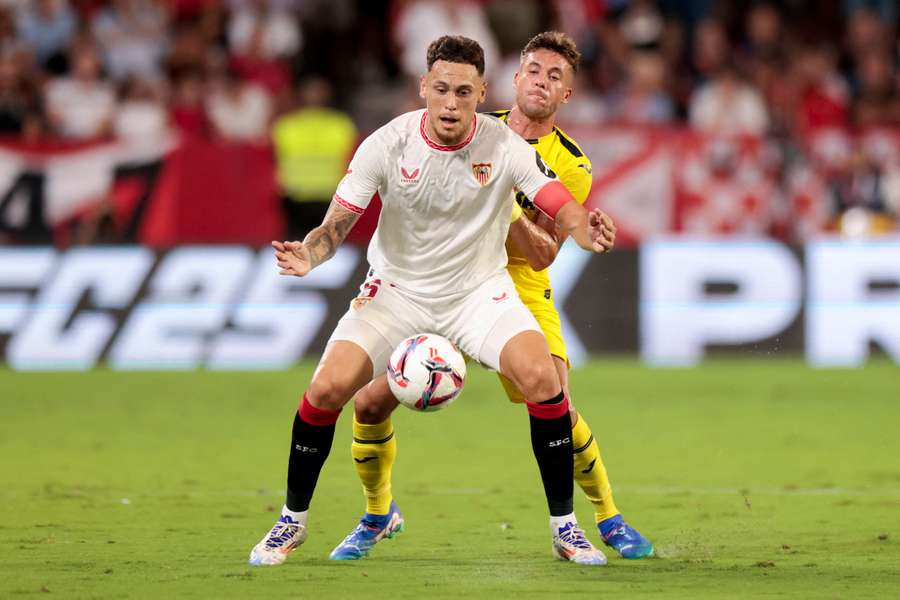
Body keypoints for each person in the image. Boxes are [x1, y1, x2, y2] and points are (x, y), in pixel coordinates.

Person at [250, 35, 615, 567]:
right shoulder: (385, 144)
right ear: (423, 87)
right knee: (327, 389)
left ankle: (567, 528)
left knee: (544, 381)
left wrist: (582, 229)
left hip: (478, 293)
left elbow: (556, 200)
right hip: (397, 292)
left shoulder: (505, 146)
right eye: (441, 89)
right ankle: (293, 521)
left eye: (463, 92)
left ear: (481, 93)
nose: (450, 103)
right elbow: (336, 223)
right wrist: (310, 255)